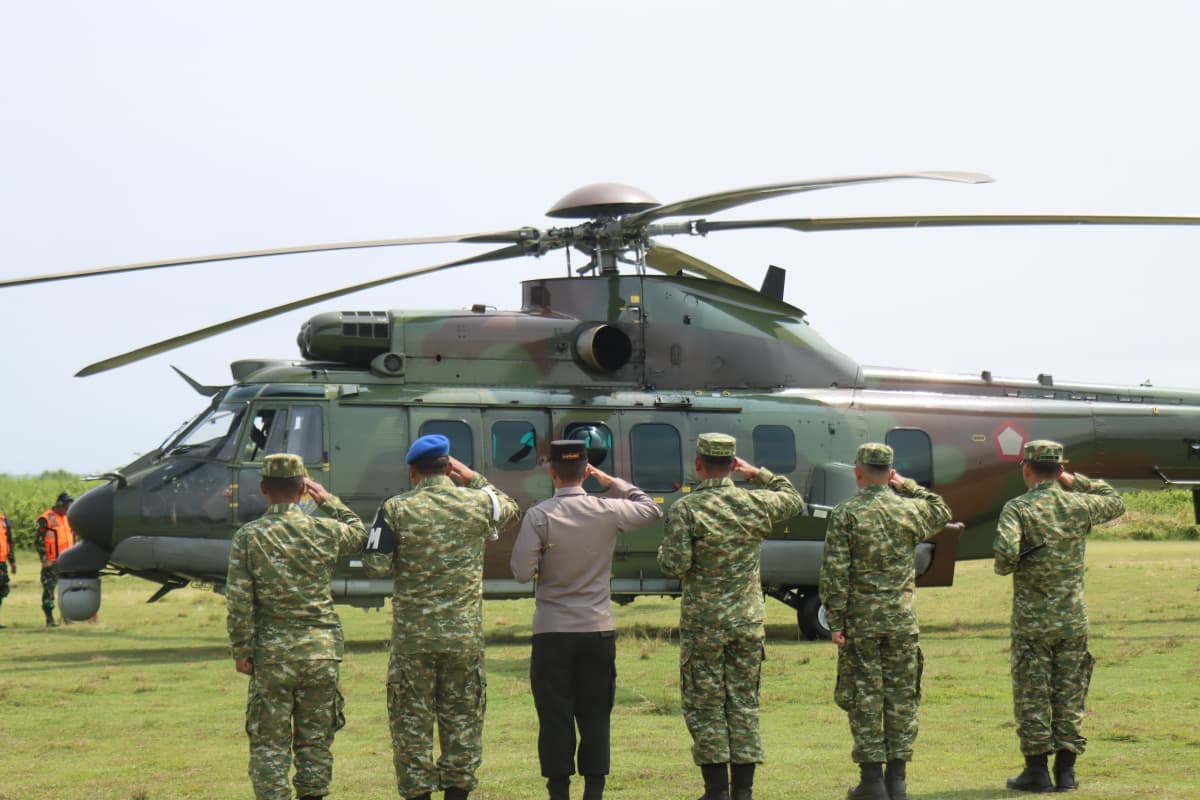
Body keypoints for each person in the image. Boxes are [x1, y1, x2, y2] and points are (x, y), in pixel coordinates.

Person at [363, 434, 520, 800]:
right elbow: (510, 508)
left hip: (413, 640)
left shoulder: (396, 508)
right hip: (462, 639)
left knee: (412, 726)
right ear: (449, 467)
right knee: (462, 722)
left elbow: (375, 566)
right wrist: (474, 478)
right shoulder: (478, 503)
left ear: (412, 471)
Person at [510, 439, 664, 800]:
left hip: (552, 630)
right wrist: (612, 482)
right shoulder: (607, 509)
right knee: (595, 713)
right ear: (585, 471)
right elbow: (650, 510)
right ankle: (594, 791)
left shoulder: (539, 515)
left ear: (552, 473)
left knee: (554, 715)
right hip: (597, 628)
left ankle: (558, 791)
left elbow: (520, 572)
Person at [657, 433, 805, 800]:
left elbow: (675, 564)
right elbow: (793, 498)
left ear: (698, 463)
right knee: (743, 703)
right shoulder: (754, 502)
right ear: (733, 464)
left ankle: (715, 791)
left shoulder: (687, 509)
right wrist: (757, 474)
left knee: (705, 704)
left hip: (704, 623)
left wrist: (666, 550)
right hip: (746, 621)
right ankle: (744, 791)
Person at [225, 454, 368, 800]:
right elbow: (361, 534)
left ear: (263, 488)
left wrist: (242, 649)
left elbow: (239, 599)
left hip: (272, 656)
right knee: (315, 743)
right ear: (303, 488)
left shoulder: (248, 536)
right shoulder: (324, 529)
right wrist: (328, 501)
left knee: (269, 745)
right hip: (321, 653)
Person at [818, 443, 952, 800]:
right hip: (901, 622)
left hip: (861, 622)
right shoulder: (908, 510)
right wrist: (907, 485)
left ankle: (872, 782)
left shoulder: (846, 513)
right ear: (890, 472)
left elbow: (834, 573)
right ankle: (898, 781)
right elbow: (941, 509)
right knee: (901, 699)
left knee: (865, 698)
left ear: (857, 471)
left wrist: (836, 620)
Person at [993, 440, 1125, 793]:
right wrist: (1076, 481)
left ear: (1027, 469)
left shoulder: (1018, 508)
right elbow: (1115, 501)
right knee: (1070, 693)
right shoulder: (1079, 503)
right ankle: (1066, 772)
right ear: (1060, 469)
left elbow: (1005, 560)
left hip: (1032, 621)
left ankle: (1036, 771)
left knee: (1033, 694)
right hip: (1072, 619)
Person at [35, 492, 75, 627]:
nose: (68, 509)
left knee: (68, 590)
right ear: (59, 505)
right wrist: (44, 559)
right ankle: (49, 619)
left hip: (68, 561)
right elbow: (38, 541)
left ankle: (67, 617)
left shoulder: (69, 517)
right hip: (52, 562)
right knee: (49, 591)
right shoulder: (45, 519)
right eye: (66, 506)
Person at [0, 510, 15, 629]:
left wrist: (12, 561)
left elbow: (9, 541)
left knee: (2, 590)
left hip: (2, 561)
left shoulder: (3, 520)